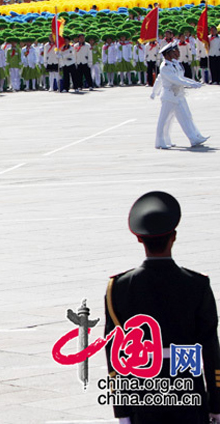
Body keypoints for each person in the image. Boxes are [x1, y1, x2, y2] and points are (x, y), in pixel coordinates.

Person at [105, 191, 220, 424]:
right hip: (189, 391)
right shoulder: (196, 284)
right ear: (174, 237)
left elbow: (115, 355)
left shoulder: (118, 287)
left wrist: (122, 411)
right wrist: (216, 404)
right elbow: (210, 348)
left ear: (139, 239)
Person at [151, 42, 209, 149]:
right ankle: (160, 142)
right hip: (169, 96)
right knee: (164, 120)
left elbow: (180, 77)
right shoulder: (165, 67)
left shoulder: (173, 63)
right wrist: (190, 84)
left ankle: (193, 137)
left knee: (184, 117)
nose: (175, 53)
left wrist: (192, 82)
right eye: (172, 52)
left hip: (177, 95)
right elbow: (175, 80)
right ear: (167, 54)